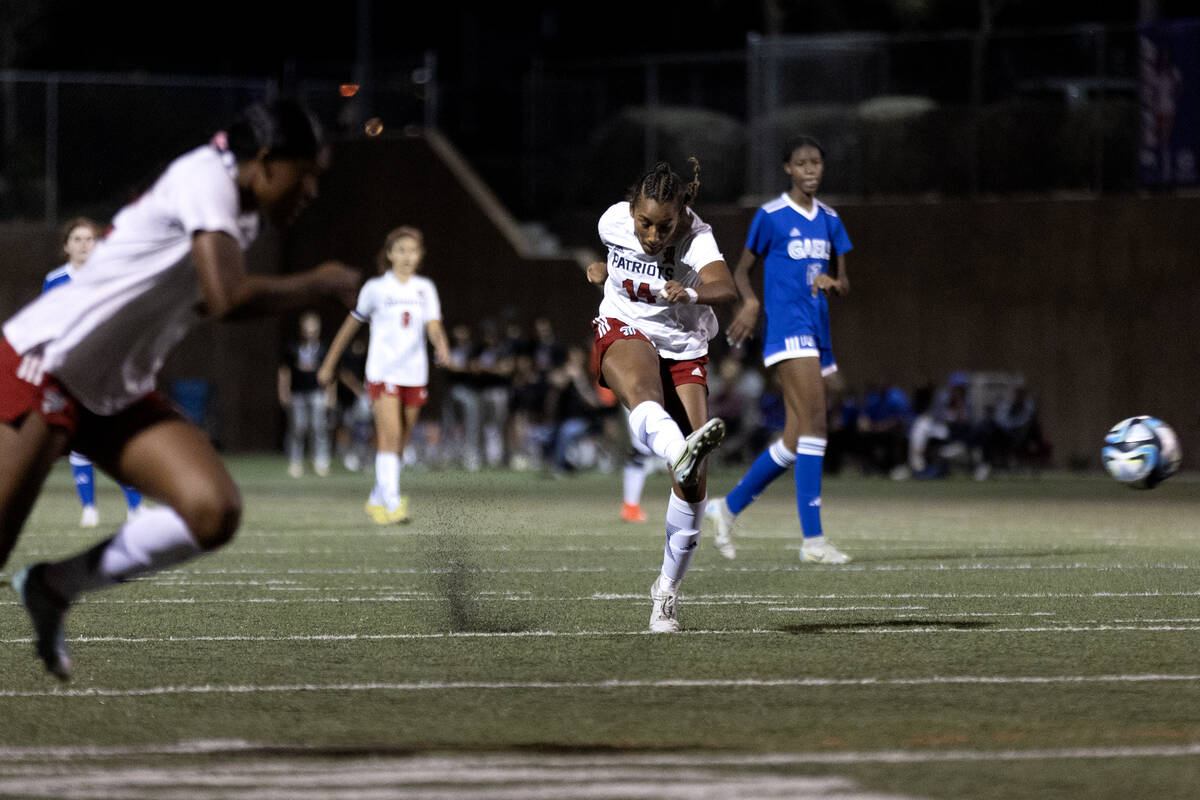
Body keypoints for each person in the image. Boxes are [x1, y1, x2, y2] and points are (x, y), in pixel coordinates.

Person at [2, 98, 360, 680]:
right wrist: (321, 282)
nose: (312, 190)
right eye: (308, 175)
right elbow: (225, 299)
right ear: (267, 162)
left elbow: (192, 299)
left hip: (113, 389)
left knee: (211, 510)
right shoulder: (205, 178)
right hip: (46, 365)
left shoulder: (238, 212)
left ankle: (52, 586)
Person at [585, 157, 735, 632]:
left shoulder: (696, 236)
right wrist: (601, 271)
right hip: (626, 326)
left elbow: (725, 286)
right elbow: (611, 258)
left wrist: (690, 294)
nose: (652, 235)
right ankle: (679, 450)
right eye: (644, 223)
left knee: (693, 487)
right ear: (631, 210)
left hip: (683, 345)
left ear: (681, 214)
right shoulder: (613, 220)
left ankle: (665, 592)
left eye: (663, 225)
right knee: (642, 387)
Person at [705, 135, 853, 564]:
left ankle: (727, 508)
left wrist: (834, 284)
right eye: (802, 163)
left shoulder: (830, 219)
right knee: (817, 425)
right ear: (788, 168)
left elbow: (844, 282)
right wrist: (750, 302)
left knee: (793, 439)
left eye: (817, 163)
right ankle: (813, 542)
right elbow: (741, 271)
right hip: (788, 330)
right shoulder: (770, 216)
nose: (811, 170)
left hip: (818, 331)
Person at [318, 225, 450, 525]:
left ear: (420, 256)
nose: (406, 256)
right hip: (382, 372)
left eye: (412, 250)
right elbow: (350, 326)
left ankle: (378, 497)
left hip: (415, 374)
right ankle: (393, 504)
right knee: (388, 436)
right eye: (400, 250)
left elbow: (433, 324)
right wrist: (328, 364)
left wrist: (441, 344)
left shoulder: (425, 289)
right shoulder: (376, 289)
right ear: (389, 254)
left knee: (401, 441)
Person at [43, 217, 146, 528]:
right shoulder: (55, 279)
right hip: (74, 368)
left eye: (89, 239)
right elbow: (48, 321)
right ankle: (89, 508)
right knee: (80, 437)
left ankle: (136, 508)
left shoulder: (109, 274)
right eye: (77, 239)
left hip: (110, 367)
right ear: (66, 247)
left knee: (123, 435)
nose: (84, 244)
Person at [278, 310, 334, 477]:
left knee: (318, 427)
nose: (310, 331)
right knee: (297, 427)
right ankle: (295, 462)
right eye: (307, 328)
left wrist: (331, 394)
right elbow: (284, 371)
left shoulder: (323, 350)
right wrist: (283, 391)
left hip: (317, 392)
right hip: (297, 393)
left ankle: (321, 461)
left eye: (313, 328)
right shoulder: (292, 348)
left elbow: (331, 374)